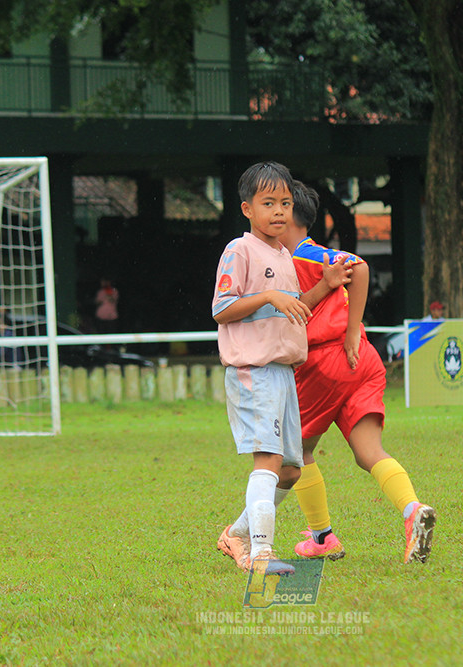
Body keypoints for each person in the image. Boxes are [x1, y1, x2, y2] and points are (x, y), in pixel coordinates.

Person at [279, 180, 436, 565]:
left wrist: (349, 330)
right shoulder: (288, 259)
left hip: (326, 361)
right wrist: (355, 336)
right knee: (370, 453)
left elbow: (359, 266)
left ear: (290, 218)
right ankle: (412, 510)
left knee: (296, 454)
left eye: (276, 210)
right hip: (361, 360)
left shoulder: (306, 254)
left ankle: (322, 537)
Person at [212, 161, 312, 575]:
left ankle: (235, 534)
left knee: (289, 470)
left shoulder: (284, 254)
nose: (278, 211)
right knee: (269, 460)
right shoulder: (239, 250)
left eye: (285, 203)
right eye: (268, 202)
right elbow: (221, 309)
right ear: (246, 208)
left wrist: (327, 284)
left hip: (283, 373)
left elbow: (294, 305)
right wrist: (269, 295)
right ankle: (260, 554)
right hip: (254, 371)